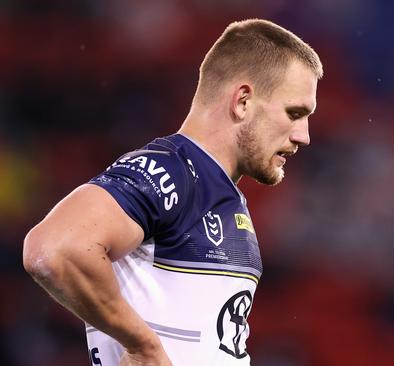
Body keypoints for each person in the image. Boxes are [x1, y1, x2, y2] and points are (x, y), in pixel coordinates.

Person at [22, 18, 323, 366]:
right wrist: (142, 346)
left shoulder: (220, 192)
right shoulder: (172, 171)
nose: (304, 135)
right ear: (242, 101)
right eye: (295, 113)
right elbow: (53, 249)